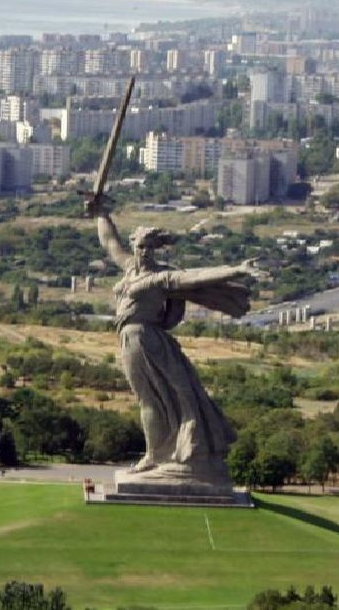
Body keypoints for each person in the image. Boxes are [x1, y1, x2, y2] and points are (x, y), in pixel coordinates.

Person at [91, 201, 260, 484]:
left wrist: (236, 269)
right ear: (134, 246)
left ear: (155, 250)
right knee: (151, 399)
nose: (144, 252)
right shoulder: (130, 268)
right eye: (140, 246)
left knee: (156, 400)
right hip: (130, 339)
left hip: (144, 339)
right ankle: (156, 454)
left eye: (149, 248)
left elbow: (194, 276)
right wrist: (100, 213)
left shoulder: (160, 278)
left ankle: (154, 456)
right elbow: (109, 242)